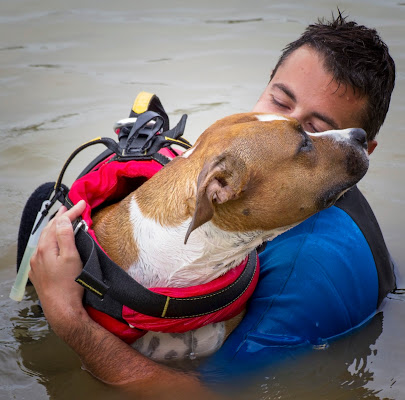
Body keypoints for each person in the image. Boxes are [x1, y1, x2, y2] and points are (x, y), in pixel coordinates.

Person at [28, 12, 396, 399]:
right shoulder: (260, 173)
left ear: (361, 153)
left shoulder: (306, 267)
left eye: (315, 132)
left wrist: (68, 319)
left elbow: (204, 395)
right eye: (280, 99)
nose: (275, 121)